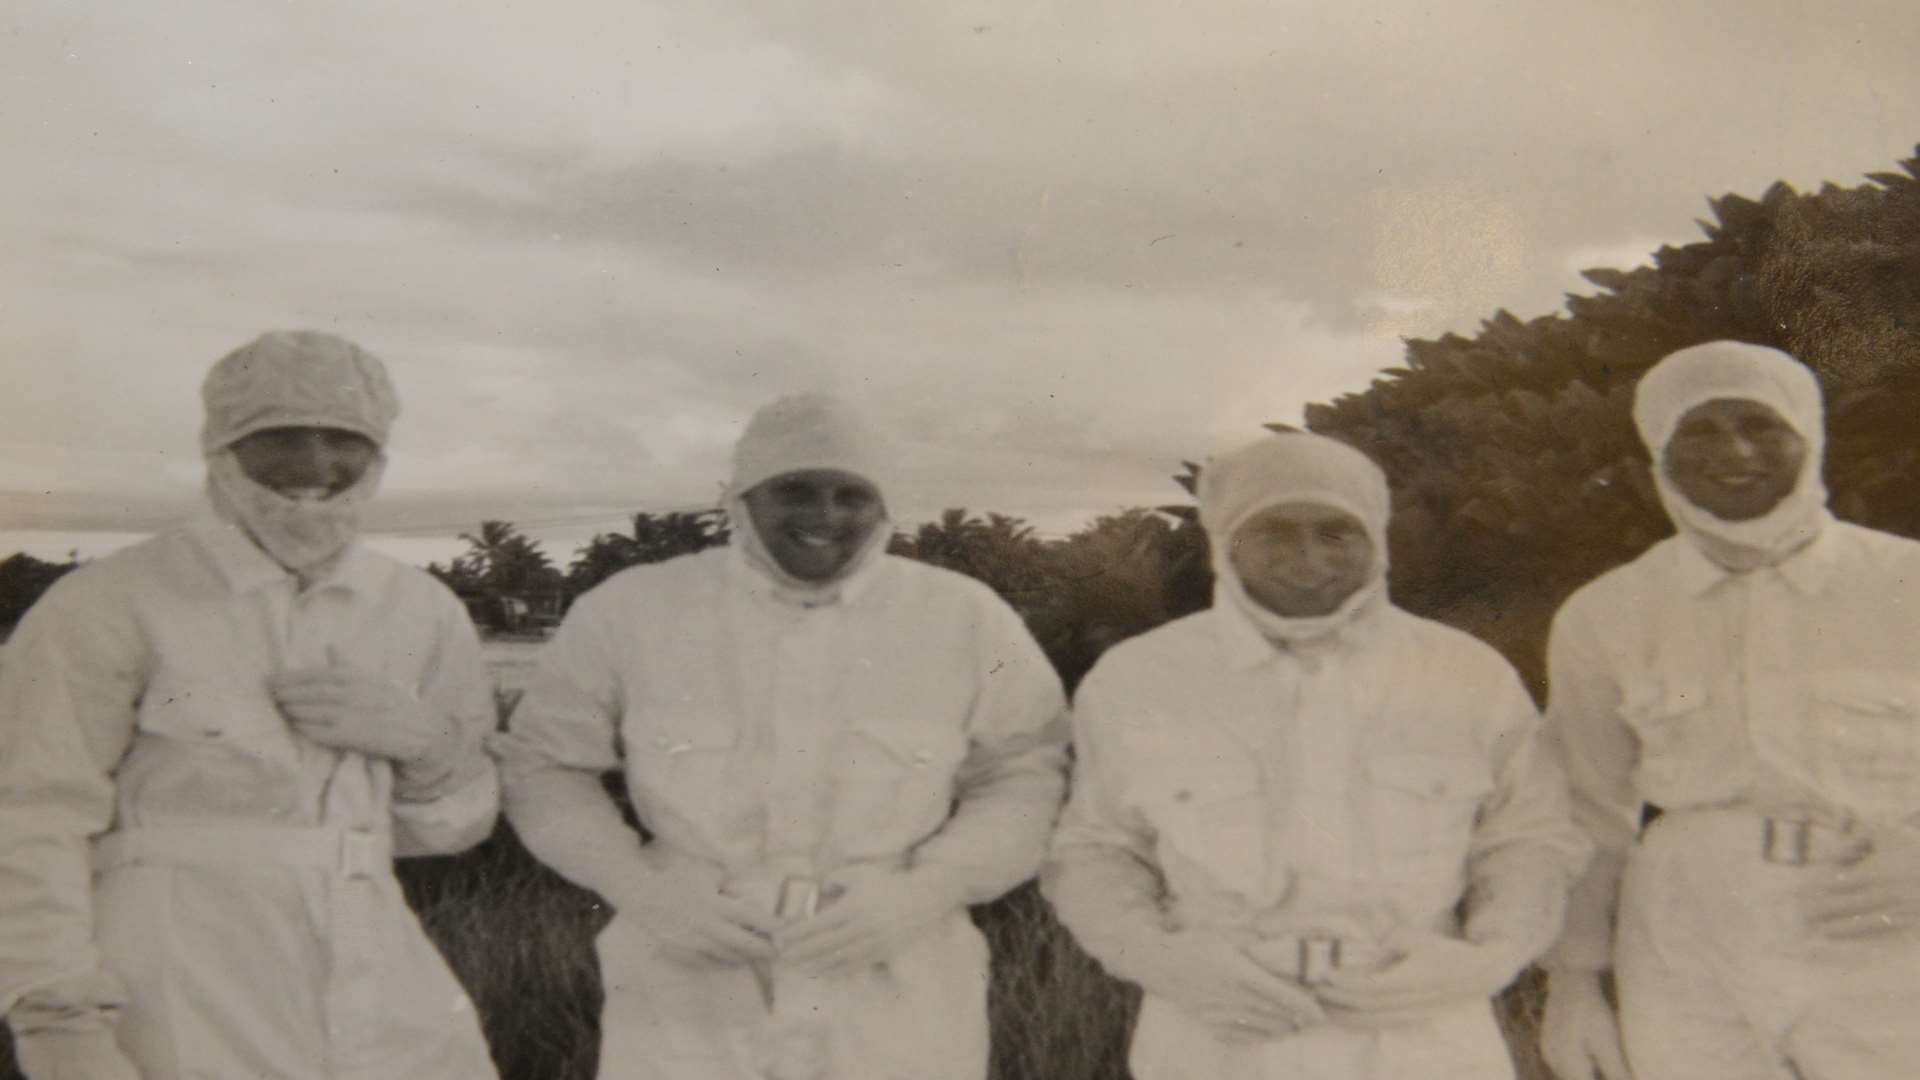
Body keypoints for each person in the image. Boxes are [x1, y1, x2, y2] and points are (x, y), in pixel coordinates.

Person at [494, 393, 1069, 1080]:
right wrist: (640, 888)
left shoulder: (965, 616)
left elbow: (1025, 774)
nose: (824, 516)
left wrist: (927, 892)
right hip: (688, 967)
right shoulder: (631, 609)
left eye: (850, 495)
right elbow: (544, 769)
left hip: (895, 967)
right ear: (741, 499)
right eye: (795, 490)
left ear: (883, 507)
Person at [0, 331, 502, 1080]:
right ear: (222, 449)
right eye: (278, 438)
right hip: (174, 975)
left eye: (342, 438)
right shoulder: (114, 600)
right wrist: (56, 1015)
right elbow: (31, 812)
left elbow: (454, 826)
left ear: (379, 452)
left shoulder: (421, 610)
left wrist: (430, 752)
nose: (313, 464)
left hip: (380, 969)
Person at [1044, 432, 1589, 1080]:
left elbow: (1529, 838)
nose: (1308, 560)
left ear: (1378, 540)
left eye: (1336, 532)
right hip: (1217, 1032)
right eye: (1275, 532)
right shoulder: (1139, 677)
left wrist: (1486, 957)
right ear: (1225, 543)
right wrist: (1159, 959)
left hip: (1424, 1031)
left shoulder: (1468, 675)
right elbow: (1096, 850)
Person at [1539, 340, 1920, 1080]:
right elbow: (1584, 810)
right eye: (1700, 430)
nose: (1734, 450)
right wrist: (1573, 983)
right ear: (1659, 449)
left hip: (1880, 911)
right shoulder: (1607, 613)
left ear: (1809, 437)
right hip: (1686, 934)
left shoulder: (1907, 582)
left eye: (1759, 423)